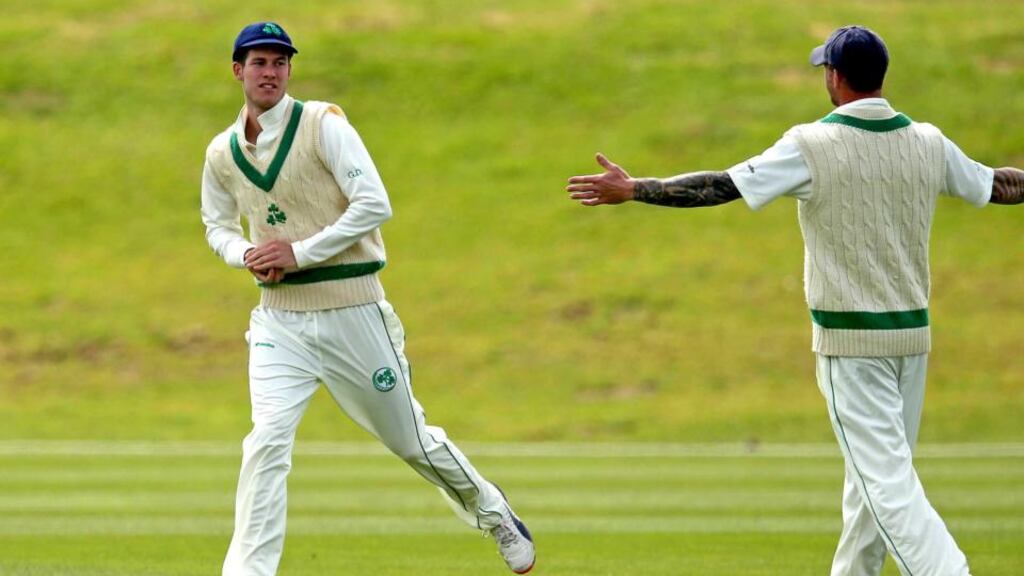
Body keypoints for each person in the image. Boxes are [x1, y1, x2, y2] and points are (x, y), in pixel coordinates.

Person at [566, 25, 1022, 576]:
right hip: (913, 345)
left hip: (852, 347)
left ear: (834, 76)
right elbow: (996, 185)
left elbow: (722, 186)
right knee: (869, 490)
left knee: (886, 486)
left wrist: (637, 188)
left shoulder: (813, 143)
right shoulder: (927, 140)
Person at [201, 22, 535, 576]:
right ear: (238, 70)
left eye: (280, 62)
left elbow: (374, 204)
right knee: (266, 443)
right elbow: (216, 225)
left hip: (353, 312)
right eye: (259, 62)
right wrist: (247, 255)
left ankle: (491, 510)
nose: (270, 72)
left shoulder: (323, 124)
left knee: (412, 442)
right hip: (279, 322)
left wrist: (299, 253)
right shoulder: (222, 151)